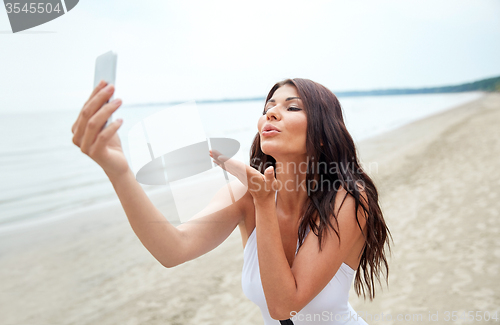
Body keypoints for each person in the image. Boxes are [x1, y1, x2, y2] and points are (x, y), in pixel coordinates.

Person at [71, 78, 392, 324]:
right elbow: (173, 249)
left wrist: (265, 203)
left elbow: (285, 305)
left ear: (322, 134)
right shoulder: (245, 195)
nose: (272, 112)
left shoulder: (348, 199)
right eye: (268, 106)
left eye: (292, 107)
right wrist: (119, 171)